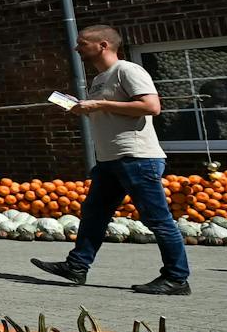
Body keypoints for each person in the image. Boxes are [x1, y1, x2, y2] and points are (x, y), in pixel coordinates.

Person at [31, 25, 191, 296]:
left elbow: (151, 107)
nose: (77, 48)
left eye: (82, 43)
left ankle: (176, 278)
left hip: (137, 158)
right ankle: (77, 266)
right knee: (94, 215)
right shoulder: (99, 80)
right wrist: (82, 106)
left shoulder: (127, 70)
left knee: (158, 221)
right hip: (110, 160)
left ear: (103, 45)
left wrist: (99, 105)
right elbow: (109, 113)